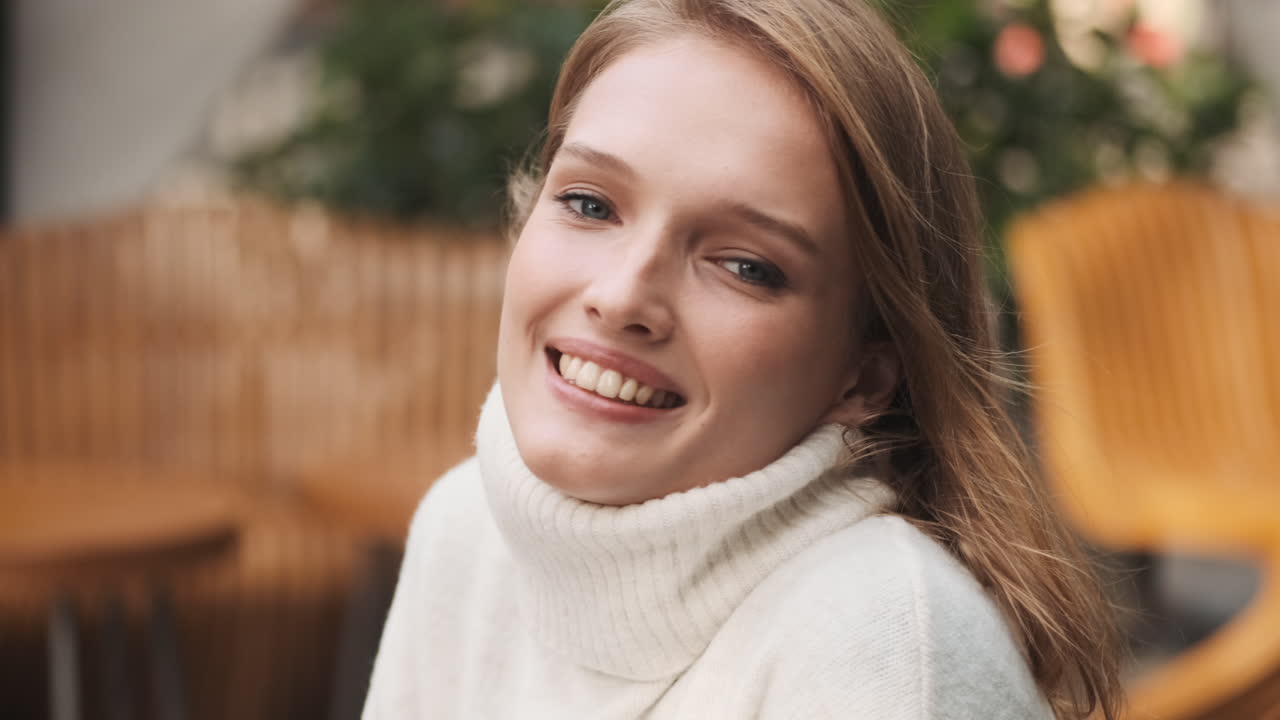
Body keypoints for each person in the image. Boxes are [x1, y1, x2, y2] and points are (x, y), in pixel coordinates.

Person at [363, 0, 1124, 718]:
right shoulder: (466, 528)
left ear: (863, 377)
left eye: (745, 266)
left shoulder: (882, 642)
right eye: (590, 204)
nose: (623, 296)